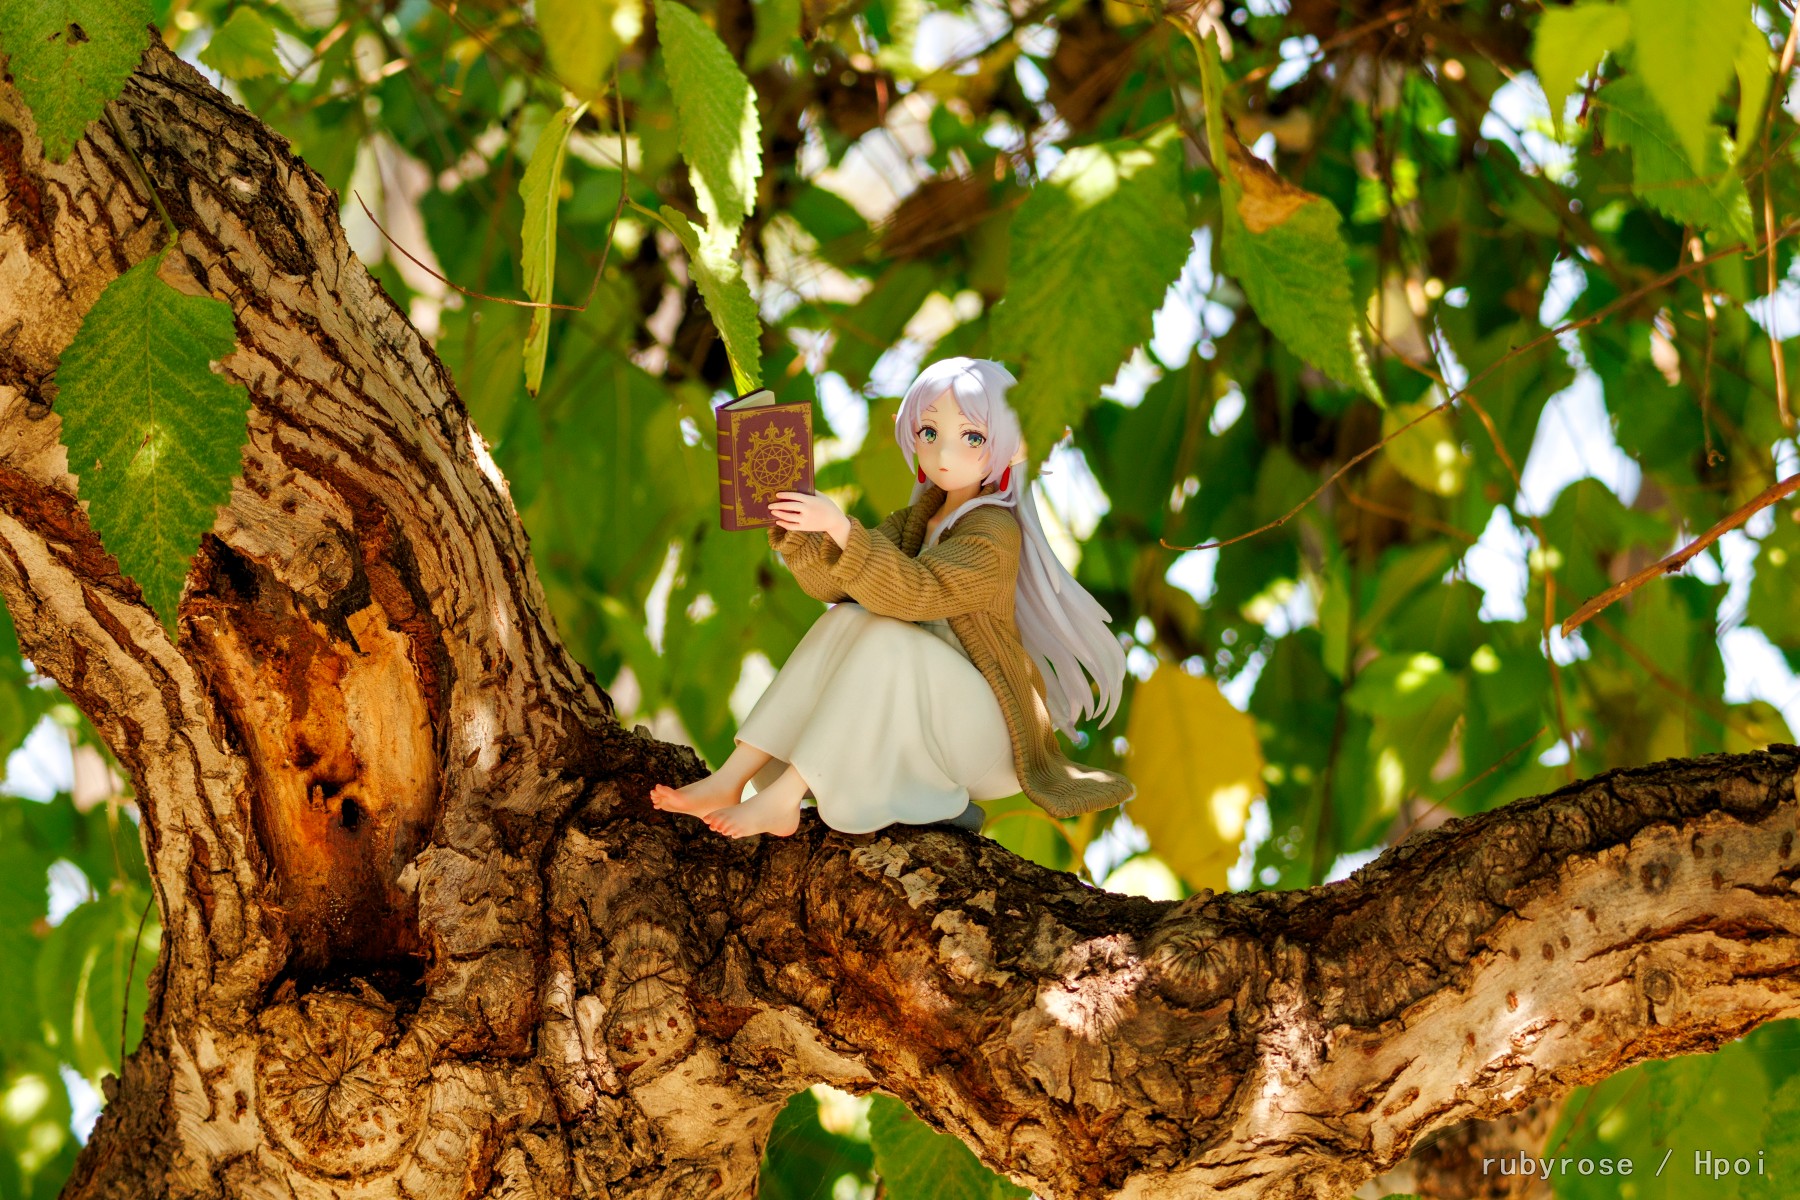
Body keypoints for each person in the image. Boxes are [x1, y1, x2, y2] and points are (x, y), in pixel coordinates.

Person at [650, 357, 1133, 838]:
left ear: (1010, 449)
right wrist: (804, 531)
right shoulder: (915, 522)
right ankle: (731, 778)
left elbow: (917, 592)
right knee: (845, 620)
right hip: (916, 712)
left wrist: (842, 528)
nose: (944, 451)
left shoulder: (994, 534)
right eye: (930, 432)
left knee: (887, 637)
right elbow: (839, 589)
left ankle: (785, 797)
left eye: (973, 437)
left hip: (986, 738)